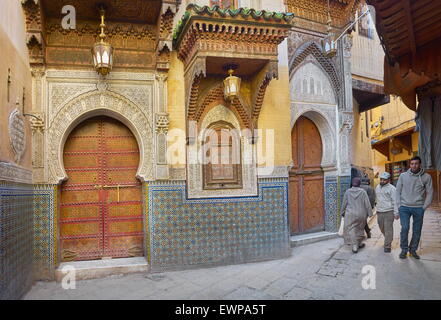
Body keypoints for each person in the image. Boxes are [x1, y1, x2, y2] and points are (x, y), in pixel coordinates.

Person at [396, 156, 433, 259]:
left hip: (418, 208)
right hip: (404, 207)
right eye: (412, 164)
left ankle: (413, 250)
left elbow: (430, 193)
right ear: (410, 165)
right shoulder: (403, 176)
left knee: (417, 230)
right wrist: (399, 205)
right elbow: (397, 191)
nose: (414, 166)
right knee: (405, 228)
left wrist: (424, 207)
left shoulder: (426, 177)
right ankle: (404, 250)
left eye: (416, 164)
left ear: (420, 164)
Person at [341, 177, 373, 253]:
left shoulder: (348, 192)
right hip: (361, 214)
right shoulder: (363, 192)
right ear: (359, 184)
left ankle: (355, 245)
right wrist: (370, 213)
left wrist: (342, 212)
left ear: (352, 183)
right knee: (360, 229)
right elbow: (367, 203)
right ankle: (359, 243)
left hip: (350, 214)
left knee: (351, 229)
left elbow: (344, 203)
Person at [375, 172, 398, 253]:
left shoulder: (392, 189)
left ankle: (387, 245)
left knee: (388, 229)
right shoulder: (377, 187)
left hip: (389, 211)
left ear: (388, 180)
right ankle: (388, 238)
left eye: (384, 180)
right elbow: (377, 198)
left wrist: (396, 213)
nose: (382, 181)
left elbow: (395, 201)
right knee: (381, 227)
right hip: (379, 211)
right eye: (381, 179)